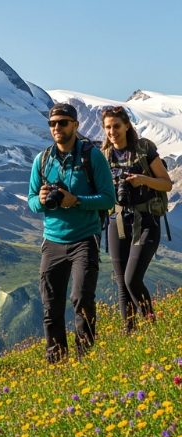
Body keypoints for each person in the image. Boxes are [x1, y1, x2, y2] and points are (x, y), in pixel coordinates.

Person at [27, 103, 115, 363]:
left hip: (84, 239)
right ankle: (57, 363)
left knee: (82, 299)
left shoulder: (92, 156)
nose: (57, 127)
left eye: (63, 122)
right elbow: (31, 201)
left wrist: (75, 200)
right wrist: (41, 200)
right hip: (52, 241)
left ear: (76, 125)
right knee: (50, 306)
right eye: (52, 123)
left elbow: (108, 199)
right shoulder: (42, 159)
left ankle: (85, 359)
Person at [100, 106, 172, 332]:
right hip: (117, 221)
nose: (113, 132)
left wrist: (142, 179)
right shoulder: (103, 156)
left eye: (117, 126)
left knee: (132, 280)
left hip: (147, 220)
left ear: (127, 125)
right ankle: (128, 331)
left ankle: (151, 324)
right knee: (122, 284)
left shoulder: (144, 149)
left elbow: (166, 183)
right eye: (108, 127)